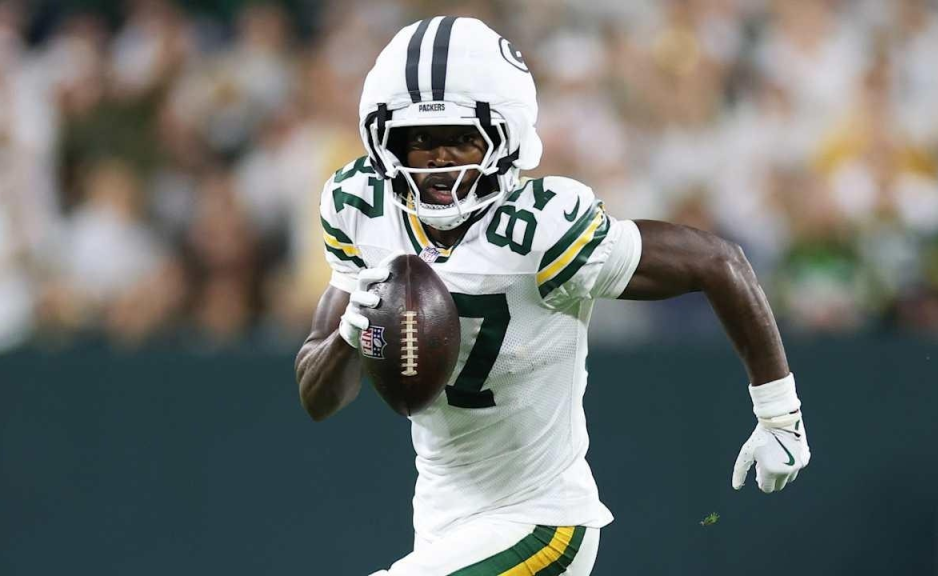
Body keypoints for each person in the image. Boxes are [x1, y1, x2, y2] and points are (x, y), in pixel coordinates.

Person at [295, 17, 810, 575]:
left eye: (461, 138)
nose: (440, 160)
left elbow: (718, 261)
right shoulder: (360, 208)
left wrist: (780, 413)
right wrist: (352, 332)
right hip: (442, 522)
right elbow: (318, 399)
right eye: (418, 140)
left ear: (507, 138)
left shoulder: (542, 231)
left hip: (542, 521)